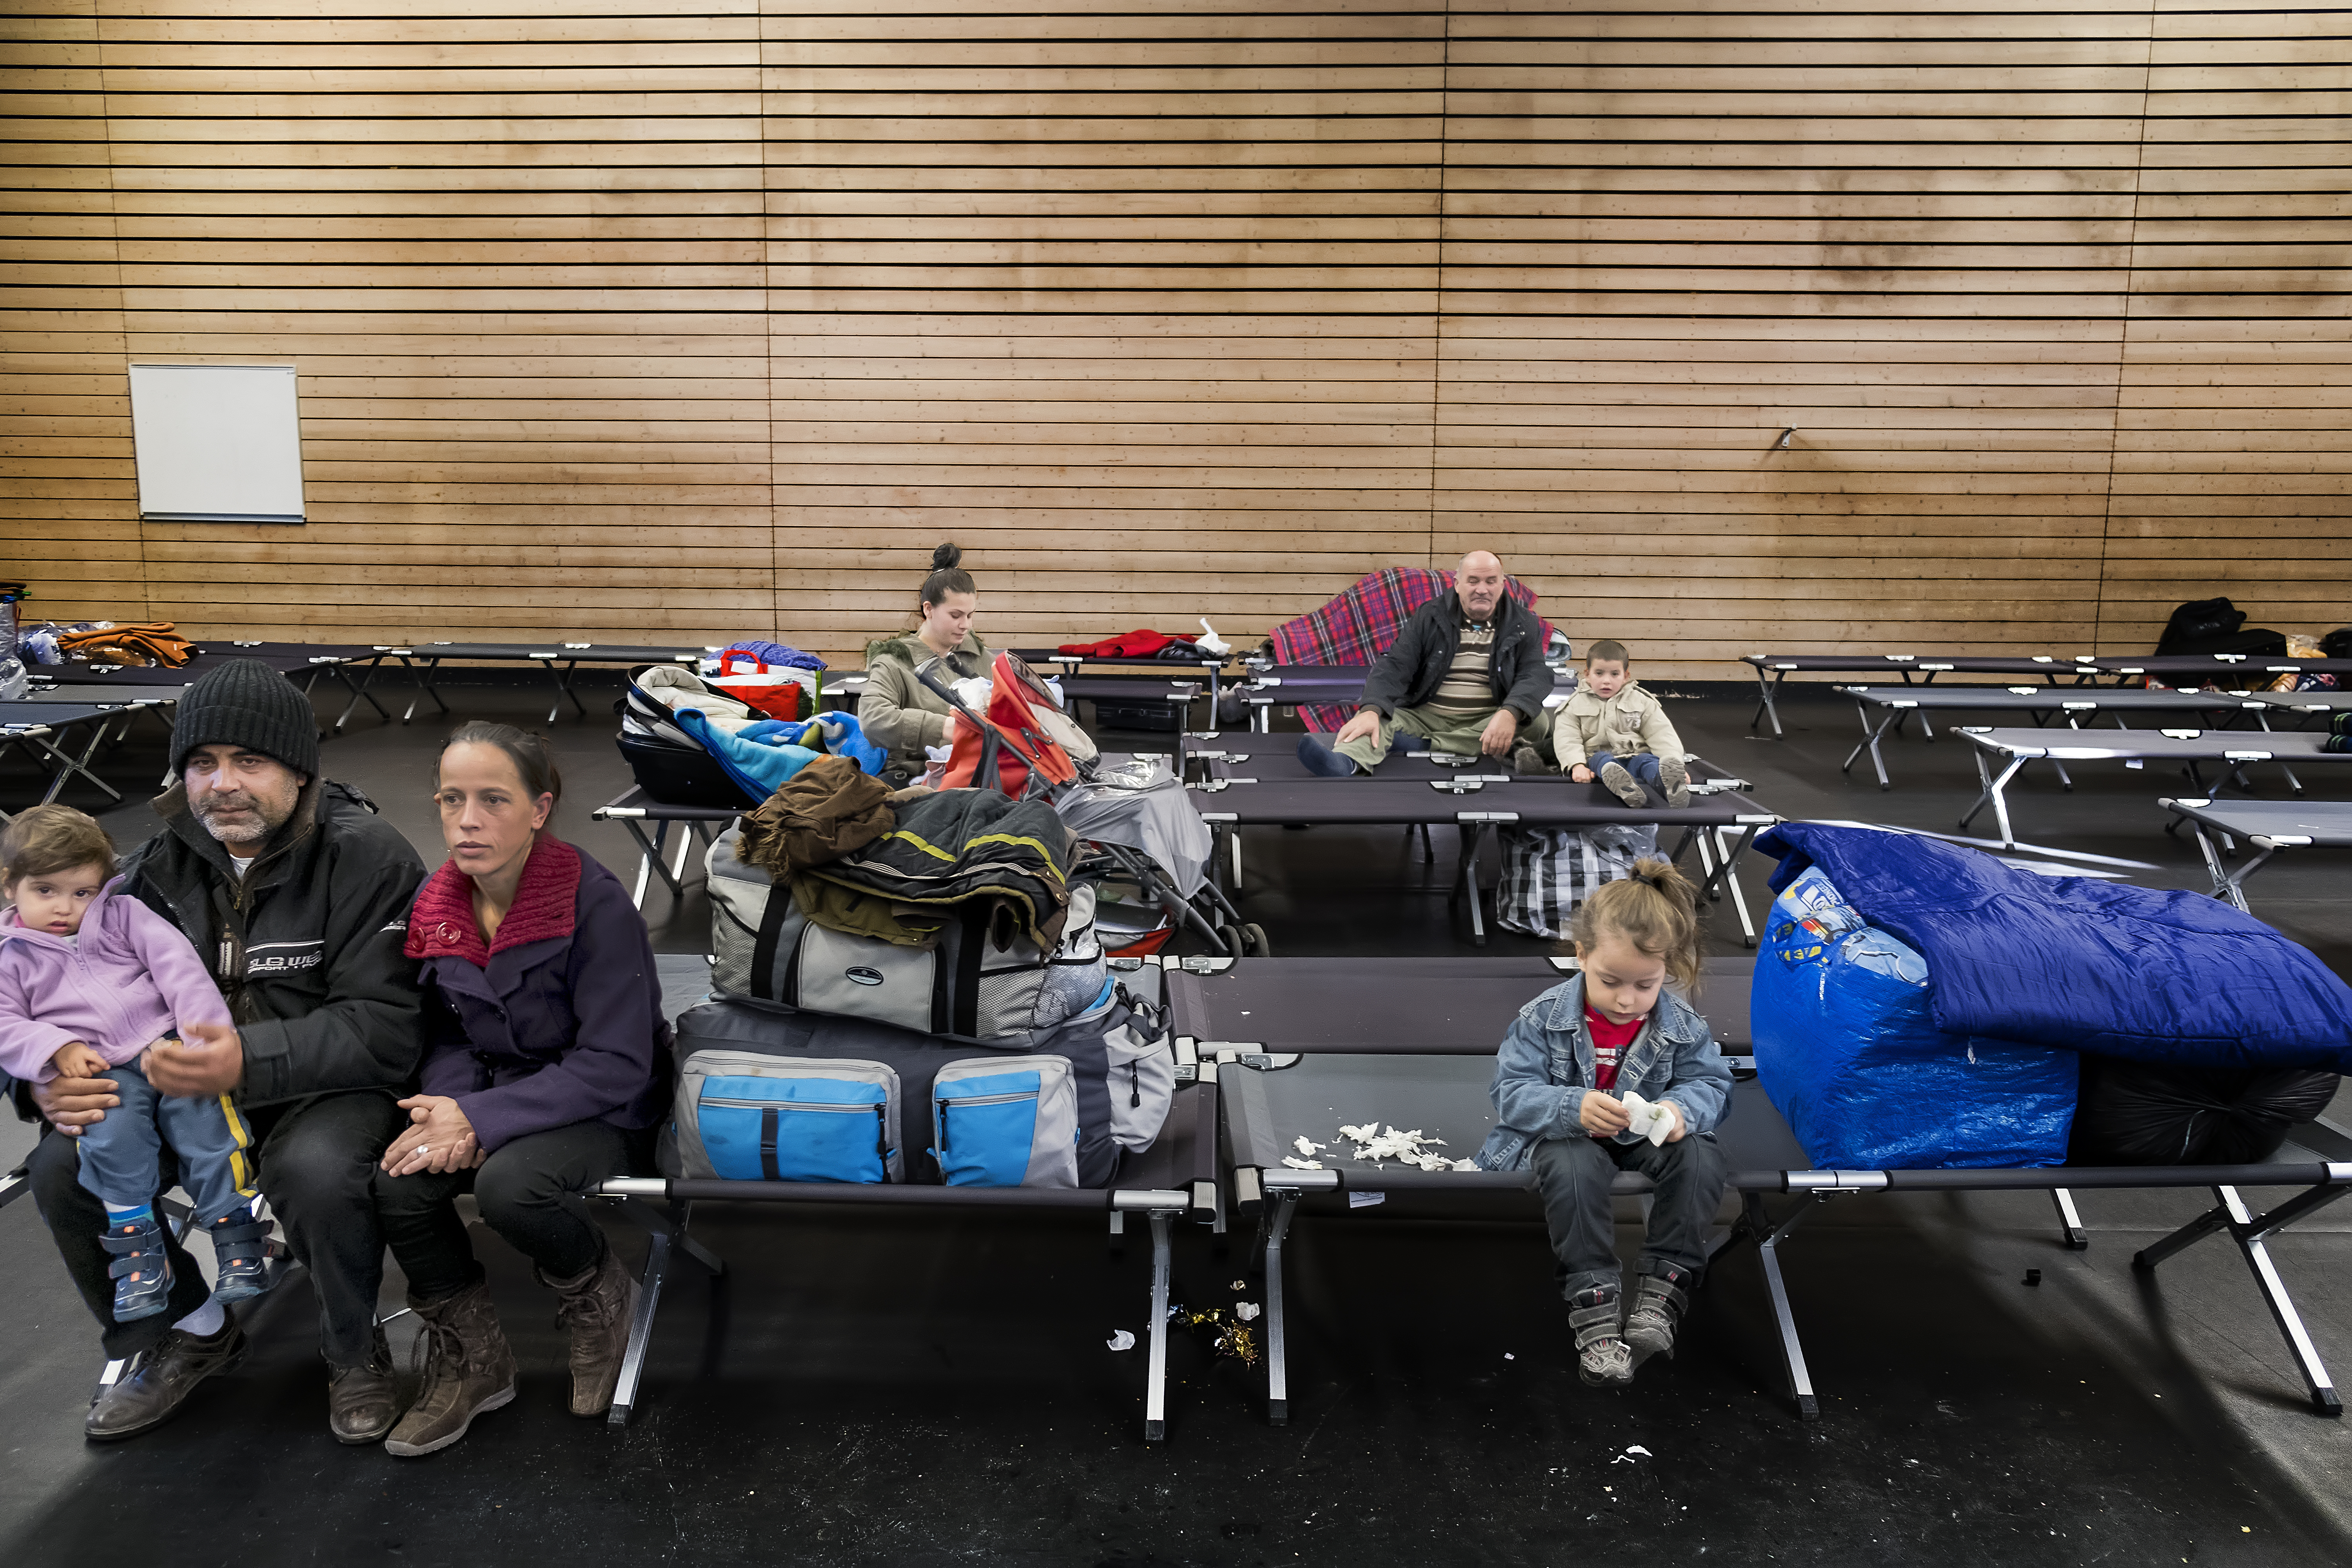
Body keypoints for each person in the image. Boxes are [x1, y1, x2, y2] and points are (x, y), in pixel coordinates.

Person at [16, 658, 428, 1443]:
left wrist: (244, 1057)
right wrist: (43, 1082)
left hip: (327, 1085)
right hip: (177, 1089)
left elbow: (385, 1026)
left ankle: (353, 1346)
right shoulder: (143, 874)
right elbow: (43, 994)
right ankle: (194, 1326)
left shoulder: (371, 855)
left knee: (312, 1170)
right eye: (203, 763)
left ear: (299, 771)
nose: (222, 784)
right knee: (61, 1169)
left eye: (250, 761)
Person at [372, 722, 672, 1456]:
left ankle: (602, 1291)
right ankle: (476, 1360)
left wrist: (478, 1118)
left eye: (493, 800)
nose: (467, 820)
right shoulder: (438, 907)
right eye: (452, 800)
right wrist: (446, 1108)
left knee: (509, 1187)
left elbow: (617, 1061)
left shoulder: (594, 906)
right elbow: (446, 1032)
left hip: (603, 1106)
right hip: (496, 1096)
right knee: (401, 1182)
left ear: (539, 810)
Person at [1475, 859, 1732, 1387]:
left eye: (1646, 985)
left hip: (1642, 1138)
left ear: (1669, 970)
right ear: (1582, 955)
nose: (1625, 999)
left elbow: (1712, 1084)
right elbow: (1511, 1094)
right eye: (1610, 981)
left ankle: (1663, 1291)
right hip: (1566, 1138)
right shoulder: (1542, 1018)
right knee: (1571, 1166)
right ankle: (1593, 1310)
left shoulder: (1683, 1025)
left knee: (1703, 1154)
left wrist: (1682, 1111)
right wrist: (1572, 1106)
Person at [0, 806, 259, 1324]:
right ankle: (139, 1252)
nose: (65, 908)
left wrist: (202, 1038)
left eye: (82, 892)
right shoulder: (10, 956)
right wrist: (54, 1049)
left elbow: (180, 972)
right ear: (10, 886)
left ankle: (235, 1234)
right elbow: (5, 1024)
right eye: (45, 891)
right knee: (110, 1138)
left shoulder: (124, 915)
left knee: (205, 1122)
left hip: (165, 1046)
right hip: (98, 1069)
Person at [1296, 551, 1554, 776]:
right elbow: (1396, 664)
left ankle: (1422, 745)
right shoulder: (1430, 615)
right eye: (1473, 581)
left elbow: (1535, 673)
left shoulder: (1524, 623)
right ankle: (1345, 763)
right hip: (1426, 716)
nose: (1482, 589)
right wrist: (1372, 709)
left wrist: (1509, 712)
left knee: (1538, 722)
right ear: (1457, 584)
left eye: (1490, 581)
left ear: (1502, 584)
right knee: (1380, 719)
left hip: (1488, 718)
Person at [861, 542, 989, 782]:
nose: (966, 625)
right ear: (928, 610)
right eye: (956, 615)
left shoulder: (980, 659)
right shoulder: (893, 663)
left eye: (970, 615)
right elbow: (874, 720)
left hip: (983, 771)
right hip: (916, 776)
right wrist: (947, 728)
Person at [1550, 638, 1691, 809]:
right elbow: (1567, 739)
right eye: (1599, 673)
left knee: (1649, 763)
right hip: (1598, 760)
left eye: (1615, 674)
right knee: (1603, 760)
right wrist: (1577, 765)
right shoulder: (1574, 705)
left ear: (1626, 676)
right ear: (1587, 674)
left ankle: (1671, 788)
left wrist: (1676, 763)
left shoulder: (1642, 702)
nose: (1606, 681)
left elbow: (1661, 734)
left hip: (1635, 757)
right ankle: (1625, 789)